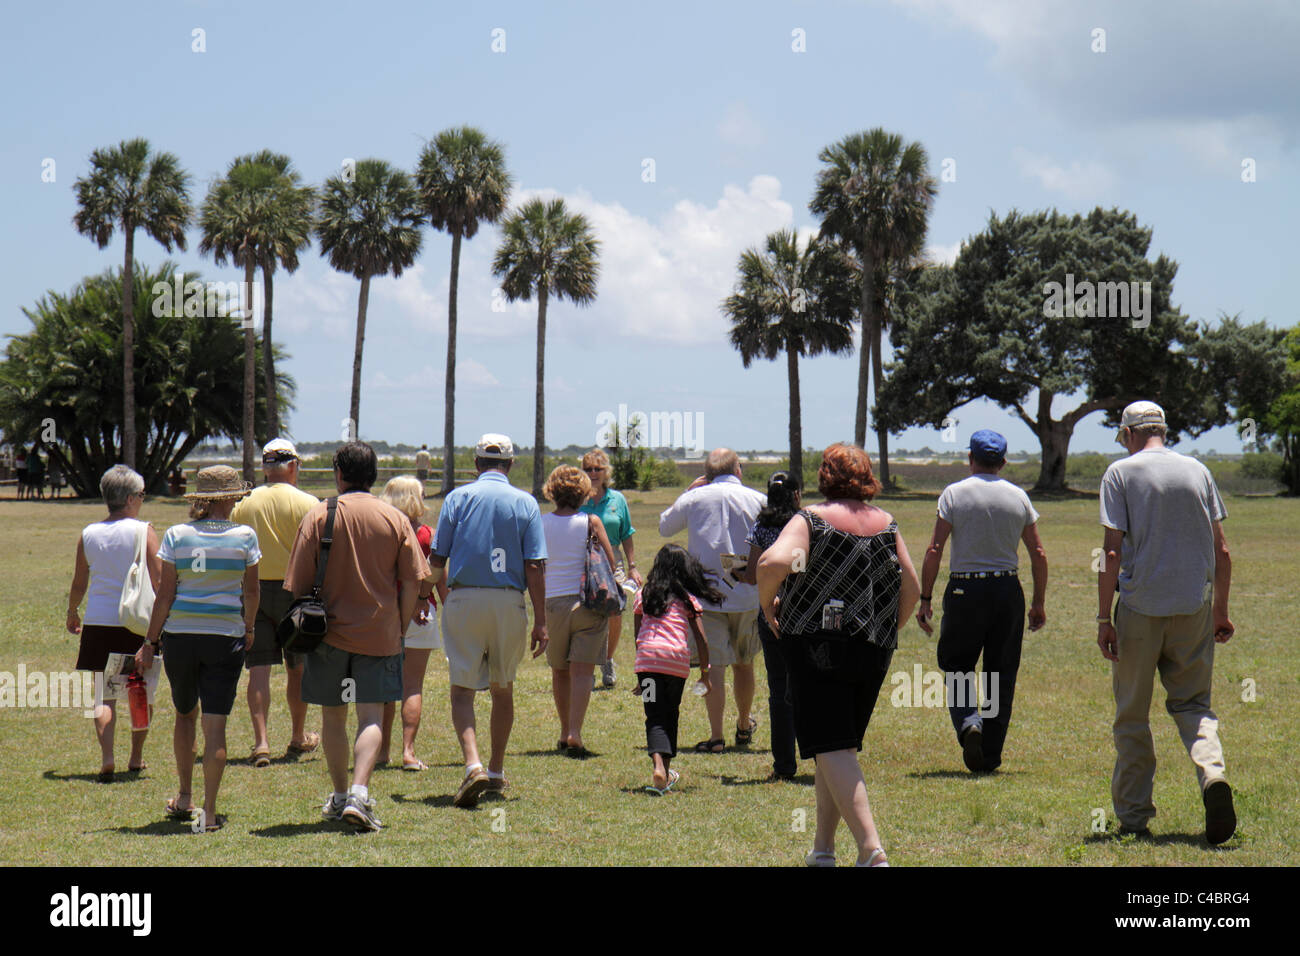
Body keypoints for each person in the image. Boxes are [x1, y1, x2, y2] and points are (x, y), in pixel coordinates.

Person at [757, 443, 920, 867]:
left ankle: (871, 851)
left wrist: (767, 606)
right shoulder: (887, 523)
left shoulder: (809, 519)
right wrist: (890, 628)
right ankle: (823, 850)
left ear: (824, 476)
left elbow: (771, 562)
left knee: (830, 747)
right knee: (836, 746)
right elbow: (912, 588)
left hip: (814, 644)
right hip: (872, 649)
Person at [1096, 401, 1236, 844]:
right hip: (1193, 605)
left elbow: (1111, 552)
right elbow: (1222, 550)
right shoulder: (1198, 471)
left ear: (1130, 434)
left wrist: (1104, 617)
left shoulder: (1120, 474)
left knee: (1132, 715)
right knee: (1194, 705)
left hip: (1139, 608)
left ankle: (1134, 817)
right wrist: (1220, 610)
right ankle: (1212, 776)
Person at [283, 442, 430, 832]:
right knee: (370, 715)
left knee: (334, 716)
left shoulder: (319, 515)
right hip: (380, 634)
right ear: (374, 474)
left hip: (327, 635)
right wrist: (399, 624)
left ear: (338, 473)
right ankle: (361, 794)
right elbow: (415, 578)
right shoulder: (394, 518)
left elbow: (295, 583)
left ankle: (340, 795)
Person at [916, 430, 1048, 773]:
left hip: (964, 591)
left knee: (957, 664)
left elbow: (934, 549)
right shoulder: (1019, 497)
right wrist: (1038, 603)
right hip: (1007, 590)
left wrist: (926, 597)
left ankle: (968, 722)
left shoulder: (954, 494)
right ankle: (989, 755)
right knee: (1000, 673)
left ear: (970, 459)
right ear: (1003, 462)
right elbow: (1038, 552)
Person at [140, 466, 260, 832]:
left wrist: (150, 640)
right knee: (216, 726)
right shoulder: (245, 536)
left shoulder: (177, 535)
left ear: (203, 499)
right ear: (233, 497)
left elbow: (165, 594)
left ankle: (185, 795)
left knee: (184, 713)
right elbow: (252, 592)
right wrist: (250, 626)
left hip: (180, 637)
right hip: (226, 637)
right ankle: (208, 813)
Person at [430, 434, 547, 808]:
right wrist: (541, 621)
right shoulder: (525, 502)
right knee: (503, 688)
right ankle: (495, 769)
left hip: (464, 598)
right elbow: (535, 565)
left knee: (462, 690)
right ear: (510, 465)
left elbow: (437, 560)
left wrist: (422, 596)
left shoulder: (457, 499)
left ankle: (472, 763)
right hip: (508, 601)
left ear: (476, 464)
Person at [658, 447, 766, 753]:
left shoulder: (694, 498)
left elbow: (665, 526)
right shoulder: (758, 499)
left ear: (707, 474)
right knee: (745, 664)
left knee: (713, 667)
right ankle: (744, 725)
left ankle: (716, 737)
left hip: (706, 598)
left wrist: (687, 492)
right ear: (739, 469)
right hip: (747, 596)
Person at [66, 465, 162, 782]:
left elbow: (80, 581)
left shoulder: (89, 533)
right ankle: (135, 757)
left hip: (98, 622)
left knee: (103, 696)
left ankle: (108, 757)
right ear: (132, 498)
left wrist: (72, 611)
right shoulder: (142, 530)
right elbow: (159, 577)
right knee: (138, 691)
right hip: (135, 623)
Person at [230, 439, 321, 765]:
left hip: (252, 590)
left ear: (265, 468)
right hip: (295, 592)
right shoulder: (310, 502)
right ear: (293, 465)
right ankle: (297, 736)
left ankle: (261, 743)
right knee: (297, 668)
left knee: (258, 669)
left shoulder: (244, 503)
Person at [542, 465, 617, 756]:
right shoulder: (591, 521)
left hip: (553, 603)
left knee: (560, 670)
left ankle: (563, 731)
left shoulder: (541, 522)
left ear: (552, 491)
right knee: (583, 671)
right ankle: (576, 731)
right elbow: (610, 563)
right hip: (587, 602)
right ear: (584, 492)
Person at [632, 544, 718, 794]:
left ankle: (658, 766)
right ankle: (665, 774)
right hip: (676, 664)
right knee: (671, 712)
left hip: (647, 663)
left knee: (653, 715)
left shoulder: (643, 594)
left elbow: (639, 635)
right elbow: (701, 639)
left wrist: (642, 674)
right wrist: (705, 674)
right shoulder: (687, 599)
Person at [376, 475, 448, 771]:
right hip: (421, 613)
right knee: (412, 685)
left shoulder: (378, 532)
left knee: (382, 689)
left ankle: (381, 753)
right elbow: (439, 579)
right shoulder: (428, 535)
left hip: (382, 616)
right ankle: (408, 751)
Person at [736, 471, 802, 780]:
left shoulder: (761, 528)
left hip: (771, 614)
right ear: (796, 495)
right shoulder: (806, 525)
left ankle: (784, 765)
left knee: (779, 690)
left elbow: (752, 574)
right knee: (808, 686)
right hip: (806, 613)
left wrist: (735, 572)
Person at [579, 449, 642, 688]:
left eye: (598, 469)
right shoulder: (578, 499)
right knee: (587, 612)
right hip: (584, 559)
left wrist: (632, 566)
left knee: (615, 611)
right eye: (588, 469)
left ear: (606, 472)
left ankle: (607, 660)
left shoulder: (617, 499)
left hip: (612, 558)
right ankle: (586, 664)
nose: (593, 473)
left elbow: (627, 533)